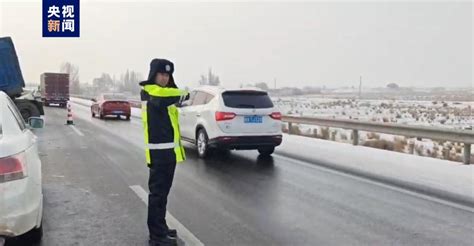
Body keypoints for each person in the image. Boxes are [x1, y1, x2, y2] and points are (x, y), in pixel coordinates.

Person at [139, 58, 189, 246]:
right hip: (159, 154)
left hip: (168, 153)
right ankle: (156, 236)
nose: (164, 78)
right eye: (161, 74)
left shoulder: (164, 92)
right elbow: (165, 97)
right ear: (154, 74)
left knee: (163, 195)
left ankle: (161, 226)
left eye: (167, 75)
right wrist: (187, 94)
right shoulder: (151, 91)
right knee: (157, 195)